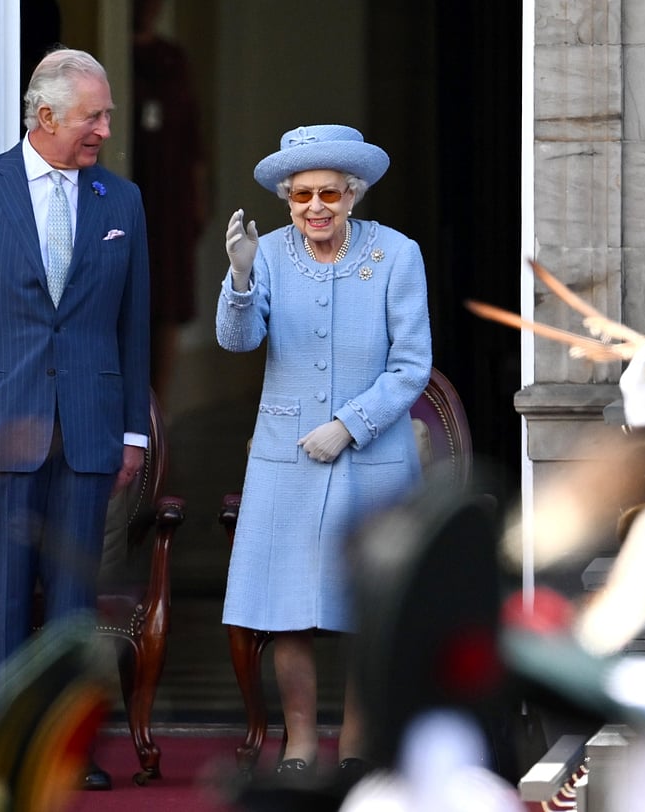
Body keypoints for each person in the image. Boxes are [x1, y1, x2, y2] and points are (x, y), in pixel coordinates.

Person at [0, 46, 151, 790]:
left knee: (71, 602)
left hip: (89, 423)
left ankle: (65, 747)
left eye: (108, 115)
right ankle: (3, 751)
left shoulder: (120, 201)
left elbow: (134, 322)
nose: (104, 130)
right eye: (95, 116)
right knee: (0, 595)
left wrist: (133, 430)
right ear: (48, 115)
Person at [218, 124, 432, 779]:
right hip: (288, 458)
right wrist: (240, 273)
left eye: (330, 195)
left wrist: (350, 423)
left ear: (353, 194)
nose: (316, 207)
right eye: (303, 194)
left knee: (370, 609)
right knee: (290, 612)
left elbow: (413, 364)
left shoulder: (397, 254)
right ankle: (301, 742)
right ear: (287, 197)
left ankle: (360, 744)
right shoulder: (272, 253)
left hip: (373, 459)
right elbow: (237, 340)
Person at [132, 0, 207, 411]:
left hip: (170, 194)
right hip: (132, 184)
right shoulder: (114, 58)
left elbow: (192, 132)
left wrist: (198, 197)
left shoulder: (171, 59)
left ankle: (158, 412)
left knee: (170, 298)